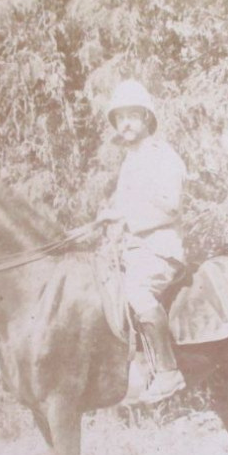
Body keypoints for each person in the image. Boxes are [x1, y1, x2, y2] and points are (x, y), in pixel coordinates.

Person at [95, 80, 188, 403]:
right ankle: (135, 373)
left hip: (160, 249)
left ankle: (167, 371)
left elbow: (170, 206)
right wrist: (109, 217)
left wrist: (126, 219)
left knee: (137, 291)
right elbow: (125, 208)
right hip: (133, 251)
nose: (126, 123)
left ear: (148, 118)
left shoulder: (163, 156)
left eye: (133, 115)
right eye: (120, 118)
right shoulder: (130, 162)